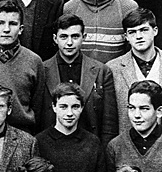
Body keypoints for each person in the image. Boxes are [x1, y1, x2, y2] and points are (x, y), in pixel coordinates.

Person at [38, 13, 118, 145]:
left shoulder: (101, 71)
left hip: (90, 146)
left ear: (83, 37)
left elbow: (109, 122)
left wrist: (103, 149)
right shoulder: (42, 70)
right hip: (51, 145)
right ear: (55, 39)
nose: (69, 43)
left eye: (75, 36)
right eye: (64, 37)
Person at [0, 0, 45, 134]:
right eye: (0, 23)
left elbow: (38, 107)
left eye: (12, 24)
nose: (6, 29)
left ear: (21, 29)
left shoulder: (34, 61)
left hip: (23, 134)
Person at [36, 82, 110, 172]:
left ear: (82, 108)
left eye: (75, 107)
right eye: (63, 107)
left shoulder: (92, 143)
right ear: (54, 107)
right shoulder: (40, 141)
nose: (69, 113)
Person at [107, 8, 162, 134]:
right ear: (126, 37)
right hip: (130, 143)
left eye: (144, 30)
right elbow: (109, 120)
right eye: (132, 32)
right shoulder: (113, 69)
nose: (138, 36)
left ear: (155, 31)